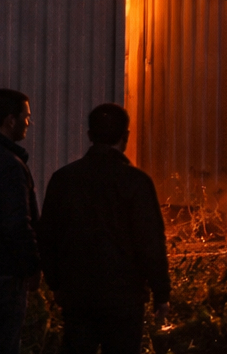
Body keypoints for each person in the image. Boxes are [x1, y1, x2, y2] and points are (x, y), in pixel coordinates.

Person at [39, 104, 170, 354]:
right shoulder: (136, 182)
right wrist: (161, 293)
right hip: (124, 296)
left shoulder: (64, 179)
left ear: (90, 135)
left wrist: (56, 283)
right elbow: (150, 242)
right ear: (125, 136)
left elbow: (47, 236)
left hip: (77, 294)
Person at [0, 90, 38, 354]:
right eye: (26, 117)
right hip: (7, 273)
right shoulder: (11, 165)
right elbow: (17, 223)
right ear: (10, 120)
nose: (28, 123)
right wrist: (32, 266)